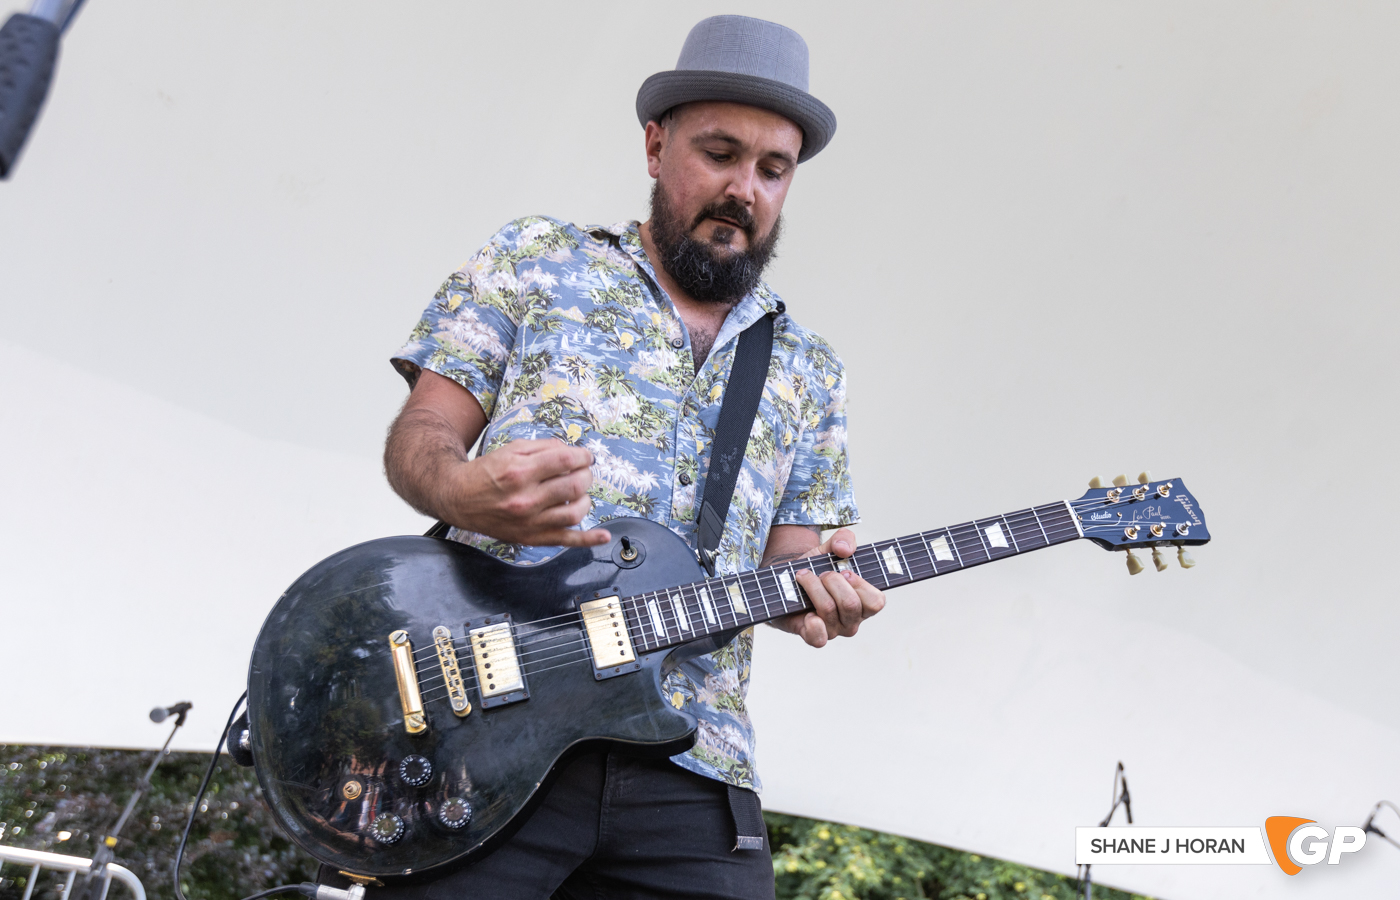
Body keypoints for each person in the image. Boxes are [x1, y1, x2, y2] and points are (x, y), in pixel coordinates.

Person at [375, 15, 886, 900]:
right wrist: (466, 491)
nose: (745, 190)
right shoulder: (537, 259)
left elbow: (791, 567)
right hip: (488, 737)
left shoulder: (811, 367)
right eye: (720, 153)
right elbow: (420, 438)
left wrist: (824, 595)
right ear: (656, 145)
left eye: (773, 170)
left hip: (695, 760)